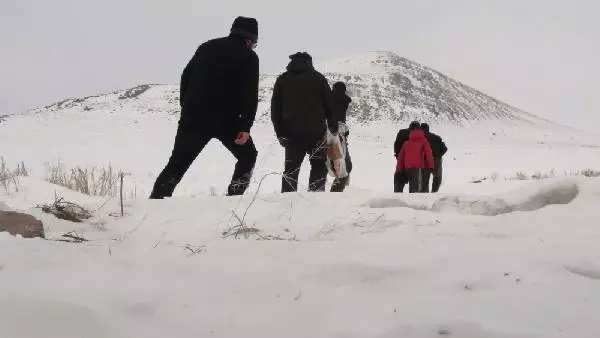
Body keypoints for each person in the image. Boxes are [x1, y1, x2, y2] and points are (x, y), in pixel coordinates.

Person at [149, 16, 260, 199]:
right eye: (254, 43)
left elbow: (185, 76)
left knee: (177, 163)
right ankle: (234, 198)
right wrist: (245, 126)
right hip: (227, 121)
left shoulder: (206, 47)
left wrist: (187, 106)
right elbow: (250, 94)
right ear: (249, 40)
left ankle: (155, 201)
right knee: (248, 155)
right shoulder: (249, 57)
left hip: (194, 118)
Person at [270, 52, 336, 193]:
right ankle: (315, 198)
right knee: (318, 165)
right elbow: (329, 105)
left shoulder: (283, 79)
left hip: (292, 134)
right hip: (316, 132)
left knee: (291, 169)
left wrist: (280, 133)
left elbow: (275, 109)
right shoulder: (319, 79)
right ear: (309, 63)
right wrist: (332, 125)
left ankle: (287, 202)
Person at [396, 123, 434, 193]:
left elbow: (400, 157)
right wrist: (431, 166)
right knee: (417, 189)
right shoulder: (424, 141)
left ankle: (411, 202)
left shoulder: (406, 143)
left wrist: (399, 169)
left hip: (408, 168)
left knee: (412, 187)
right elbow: (429, 154)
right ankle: (415, 203)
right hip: (418, 167)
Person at [330, 81, 352, 192]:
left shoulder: (326, 98)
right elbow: (347, 100)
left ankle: (317, 194)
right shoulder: (343, 100)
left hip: (326, 134)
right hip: (338, 135)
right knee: (346, 166)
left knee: (323, 166)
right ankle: (335, 193)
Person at [393, 120, 420, 192]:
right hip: (415, 164)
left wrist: (398, 156)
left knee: (398, 183)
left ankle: (396, 199)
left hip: (401, 162)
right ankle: (412, 201)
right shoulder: (421, 136)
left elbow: (396, 145)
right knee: (414, 186)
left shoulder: (402, 132)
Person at [420, 123, 448, 193]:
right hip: (436, 160)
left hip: (424, 161)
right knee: (437, 177)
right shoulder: (437, 137)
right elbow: (445, 148)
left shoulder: (420, 139)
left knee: (424, 179)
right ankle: (434, 192)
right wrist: (439, 155)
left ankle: (424, 194)